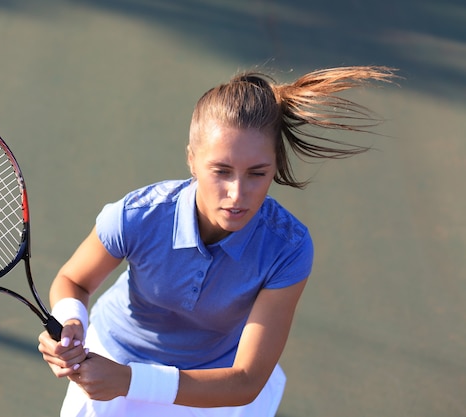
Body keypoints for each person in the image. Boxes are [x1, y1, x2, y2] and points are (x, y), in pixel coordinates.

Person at [38, 66, 396, 417]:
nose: (237, 194)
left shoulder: (288, 247)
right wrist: (71, 321)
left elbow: (246, 380)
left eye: (257, 173)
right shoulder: (137, 215)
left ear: (275, 166)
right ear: (192, 160)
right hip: (112, 362)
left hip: (212, 387)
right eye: (221, 171)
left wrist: (132, 382)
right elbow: (74, 281)